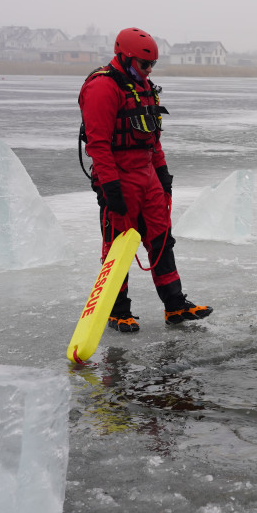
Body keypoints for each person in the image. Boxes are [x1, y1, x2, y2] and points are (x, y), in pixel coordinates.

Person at [78, 27, 212, 332]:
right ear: (125, 58)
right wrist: (110, 188)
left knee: (161, 237)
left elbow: (153, 138)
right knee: (119, 244)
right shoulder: (103, 87)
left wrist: (162, 174)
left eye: (152, 65)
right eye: (143, 64)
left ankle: (175, 305)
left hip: (147, 173)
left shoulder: (144, 87)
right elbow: (98, 145)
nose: (149, 70)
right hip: (119, 174)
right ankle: (116, 311)